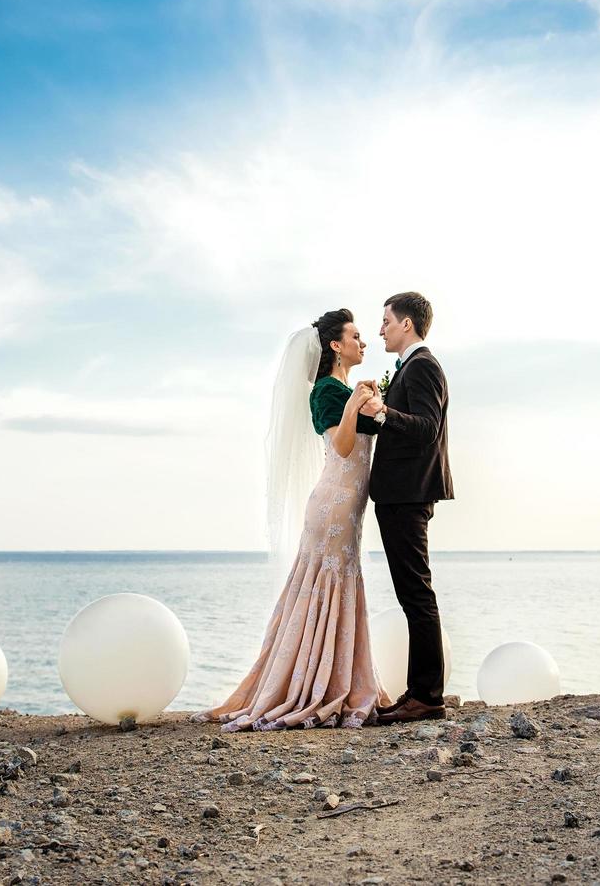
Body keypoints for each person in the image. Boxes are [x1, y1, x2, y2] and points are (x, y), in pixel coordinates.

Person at [193, 309, 392, 730]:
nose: (364, 341)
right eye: (357, 335)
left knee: (344, 582)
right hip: (333, 502)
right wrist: (357, 402)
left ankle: (343, 677)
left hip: (351, 503)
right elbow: (340, 447)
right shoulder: (325, 391)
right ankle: (309, 686)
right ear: (336, 346)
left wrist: (371, 402)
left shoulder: (345, 388)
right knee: (326, 581)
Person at [359, 291, 454, 725]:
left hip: (408, 494)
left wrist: (385, 412)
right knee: (411, 593)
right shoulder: (411, 368)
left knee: (417, 594)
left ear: (407, 325)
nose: (380, 329)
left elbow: (428, 429)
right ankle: (418, 692)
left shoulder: (423, 366)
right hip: (400, 493)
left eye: (385, 321)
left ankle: (428, 697)